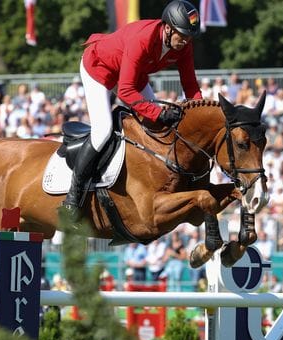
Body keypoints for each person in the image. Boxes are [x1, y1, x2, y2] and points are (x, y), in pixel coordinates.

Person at [60, 0, 203, 219]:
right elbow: (126, 91)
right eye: (181, 35)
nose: (185, 41)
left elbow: (190, 85)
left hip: (130, 74)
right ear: (167, 27)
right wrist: (159, 113)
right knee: (103, 131)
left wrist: (200, 112)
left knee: (156, 125)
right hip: (99, 68)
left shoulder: (183, 45)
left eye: (188, 36)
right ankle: (73, 196)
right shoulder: (143, 39)